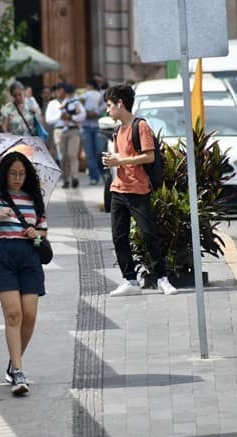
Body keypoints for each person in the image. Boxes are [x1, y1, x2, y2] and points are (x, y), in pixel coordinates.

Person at [0, 151, 48, 395]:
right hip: (1, 255)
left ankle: (13, 362)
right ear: (4, 174)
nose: (17, 178)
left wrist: (35, 234)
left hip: (29, 256)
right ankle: (18, 371)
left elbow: (43, 234)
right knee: (13, 315)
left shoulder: (34, 198)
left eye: (22, 173)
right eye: (13, 173)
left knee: (30, 315)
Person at [101, 84, 177, 296]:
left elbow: (150, 156)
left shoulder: (140, 126)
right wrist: (112, 162)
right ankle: (130, 281)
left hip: (138, 189)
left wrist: (120, 160)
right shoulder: (117, 130)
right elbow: (120, 160)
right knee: (119, 236)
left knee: (148, 233)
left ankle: (162, 278)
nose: (107, 111)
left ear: (120, 103)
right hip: (119, 190)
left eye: (109, 105)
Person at [45, 83, 85, 188]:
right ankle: (66, 179)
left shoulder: (74, 101)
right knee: (63, 157)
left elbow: (82, 115)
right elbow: (49, 120)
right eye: (59, 91)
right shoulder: (53, 104)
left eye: (63, 91)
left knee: (72, 154)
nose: (61, 93)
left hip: (73, 130)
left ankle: (75, 177)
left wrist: (71, 117)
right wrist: (60, 116)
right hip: (59, 131)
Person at [80, 78, 107, 185]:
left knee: (99, 151)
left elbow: (105, 106)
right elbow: (78, 104)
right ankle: (94, 176)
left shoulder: (100, 94)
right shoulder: (85, 95)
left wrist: (96, 112)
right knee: (89, 153)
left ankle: (103, 172)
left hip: (97, 126)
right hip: (86, 126)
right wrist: (85, 112)